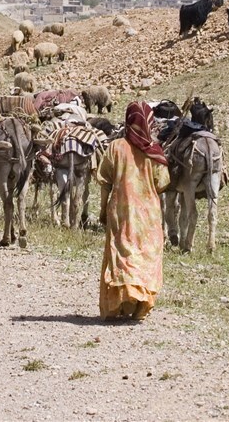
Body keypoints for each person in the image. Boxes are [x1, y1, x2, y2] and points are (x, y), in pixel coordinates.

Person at [96, 101, 170, 321]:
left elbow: (105, 181)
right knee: (145, 254)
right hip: (148, 215)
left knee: (123, 254)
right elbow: (162, 182)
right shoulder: (155, 152)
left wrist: (102, 209)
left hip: (121, 211)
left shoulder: (115, 147)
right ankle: (141, 305)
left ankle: (121, 303)